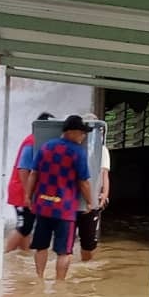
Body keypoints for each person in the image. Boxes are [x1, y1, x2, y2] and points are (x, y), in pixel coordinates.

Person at [24, 115, 96, 280]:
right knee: (64, 251)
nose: (83, 136)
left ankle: (39, 279)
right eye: (82, 133)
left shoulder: (46, 147)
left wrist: (28, 196)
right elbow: (84, 182)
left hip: (43, 206)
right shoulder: (78, 152)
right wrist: (90, 202)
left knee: (41, 246)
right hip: (65, 209)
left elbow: (33, 174)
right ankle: (60, 284)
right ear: (72, 132)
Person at [5, 111, 54, 253]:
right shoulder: (32, 142)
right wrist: (28, 194)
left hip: (26, 190)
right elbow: (23, 170)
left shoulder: (36, 141)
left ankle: (23, 255)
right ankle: (5, 256)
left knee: (27, 226)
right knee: (24, 226)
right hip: (21, 191)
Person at [76, 113, 111, 261]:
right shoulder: (74, 148)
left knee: (88, 244)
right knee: (66, 243)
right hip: (74, 201)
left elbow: (104, 174)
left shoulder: (102, 150)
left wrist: (104, 194)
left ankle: (84, 266)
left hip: (92, 201)